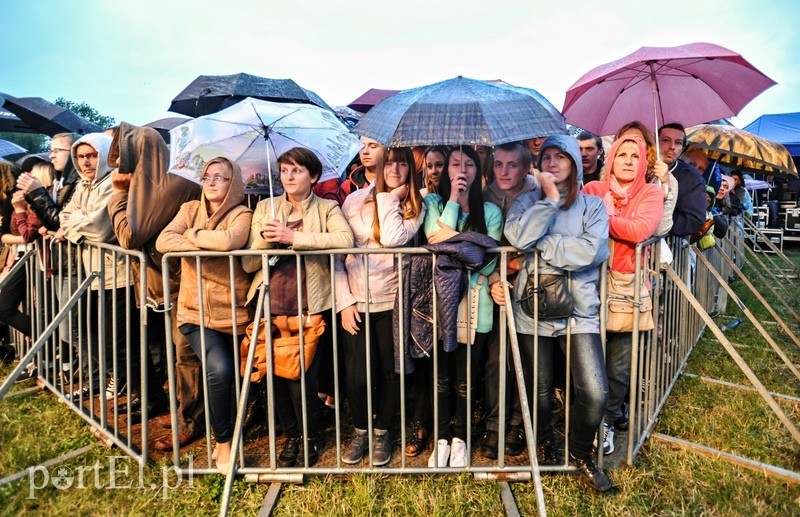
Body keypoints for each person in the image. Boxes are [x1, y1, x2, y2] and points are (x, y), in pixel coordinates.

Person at [505, 135, 612, 492]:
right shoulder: (526, 201)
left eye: (560, 156)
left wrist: (543, 244)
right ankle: (547, 444)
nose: (551, 163)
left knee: (595, 393)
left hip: (580, 311)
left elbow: (591, 252)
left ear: (576, 164)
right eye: (545, 157)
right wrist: (548, 203)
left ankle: (580, 450)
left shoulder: (593, 207)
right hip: (531, 308)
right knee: (537, 393)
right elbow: (518, 237)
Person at [243, 147, 354, 467]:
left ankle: (309, 437)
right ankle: (291, 435)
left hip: (309, 304)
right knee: (274, 378)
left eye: (297, 170)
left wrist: (294, 236)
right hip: (269, 303)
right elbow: (250, 263)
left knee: (302, 378)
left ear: (313, 176)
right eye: (284, 170)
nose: (289, 177)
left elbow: (345, 240)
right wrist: (267, 239)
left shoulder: (327, 207)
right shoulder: (265, 208)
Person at [105, 122, 204, 437]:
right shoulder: (148, 185)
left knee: (187, 353)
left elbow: (130, 234)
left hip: (184, 282)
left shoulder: (172, 183)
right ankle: (182, 412)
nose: (123, 165)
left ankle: (193, 421)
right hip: (162, 283)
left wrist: (119, 194)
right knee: (177, 353)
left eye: (128, 155)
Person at [156, 157, 252, 473]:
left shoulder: (243, 213)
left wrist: (192, 237)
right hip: (193, 311)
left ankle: (237, 427)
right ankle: (225, 444)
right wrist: (206, 241)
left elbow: (229, 240)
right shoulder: (189, 210)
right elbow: (163, 240)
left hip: (233, 312)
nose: (210, 182)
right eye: (207, 177)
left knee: (237, 379)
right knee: (220, 370)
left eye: (219, 178)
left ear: (233, 183)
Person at [336, 147, 425, 466]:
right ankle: (360, 430)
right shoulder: (353, 200)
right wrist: (344, 301)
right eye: (391, 162)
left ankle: (382, 432)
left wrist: (389, 199)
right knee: (357, 374)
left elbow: (390, 237)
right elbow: (338, 254)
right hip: (356, 297)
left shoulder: (416, 204)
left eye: (403, 163)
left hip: (393, 299)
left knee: (391, 372)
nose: (396, 169)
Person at [421, 146, 502, 467]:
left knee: (466, 378)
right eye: (455, 164)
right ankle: (441, 438)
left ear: (480, 172)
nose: (462, 170)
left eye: (469, 164)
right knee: (441, 377)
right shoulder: (433, 203)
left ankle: (461, 438)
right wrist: (453, 202)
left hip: (476, 306)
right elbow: (434, 242)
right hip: (440, 305)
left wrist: (451, 242)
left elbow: (484, 260)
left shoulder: (491, 212)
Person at [584, 136, 664, 457]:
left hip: (627, 287)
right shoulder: (592, 189)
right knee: (589, 361)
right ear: (611, 159)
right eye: (622, 155)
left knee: (618, 364)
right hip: (589, 283)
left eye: (636, 155)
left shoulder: (650, 192)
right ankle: (587, 419)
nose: (629, 160)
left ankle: (609, 419)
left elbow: (640, 230)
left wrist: (603, 218)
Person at [60, 133, 138, 402]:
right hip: (93, 275)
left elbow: (101, 230)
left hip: (117, 274)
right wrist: (79, 222)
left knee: (117, 341)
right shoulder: (83, 185)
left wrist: (75, 226)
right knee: (99, 335)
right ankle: (123, 382)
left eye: (92, 156)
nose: (86, 162)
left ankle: (136, 388)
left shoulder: (111, 184)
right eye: (81, 157)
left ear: (104, 155)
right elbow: (63, 216)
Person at [480, 141, 540, 458]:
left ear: (526, 167)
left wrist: (519, 267)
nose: (504, 171)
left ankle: (517, 425)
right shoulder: (485, 195)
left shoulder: (539, 194)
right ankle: (494, 426)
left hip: (531, 289)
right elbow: (481, 248)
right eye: (499, 164)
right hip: (499, 290)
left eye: (512, 164)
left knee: (527, 362)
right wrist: (493, 280)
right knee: (495, 362)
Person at [659, 123, 706, 240]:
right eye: (666, 140)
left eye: (678, 143)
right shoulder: (642, 167)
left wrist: (656, 222)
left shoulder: (692, 178)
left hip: (673, 245)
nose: (672, 146)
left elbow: (694, 221)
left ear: (683, 149)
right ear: (655, 142)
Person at [338, 136, 385, 204]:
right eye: (362, 146)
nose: (365, 151)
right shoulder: (348, 186)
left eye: (373, 146)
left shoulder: (395, 182)